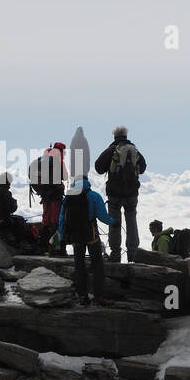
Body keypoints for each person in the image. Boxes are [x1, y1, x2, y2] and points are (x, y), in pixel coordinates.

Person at [56, 171, 115, 307]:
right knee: (97, 264)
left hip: (75, 236)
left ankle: (82, 296)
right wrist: (113, 222)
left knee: (79, 265)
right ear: (87, 181)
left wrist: (62, 236)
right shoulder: (94, 196)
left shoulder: (68, 198)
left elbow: (61, 220)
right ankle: (98, 296)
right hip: (91, 235)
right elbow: (102, 217)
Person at [94, 124, 147, 263]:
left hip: (114, 194)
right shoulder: (133, 150)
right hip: (131, 194)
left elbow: (98, 167)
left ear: (115, 136)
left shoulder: (111, 149)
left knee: (114, 223)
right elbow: (143, 168)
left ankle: (115, 254)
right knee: (131, 222)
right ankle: (133, 254)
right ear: (126, 136)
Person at [27, 142, 67, 253]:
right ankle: (56, 248)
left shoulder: (42, 159)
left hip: (44, 195)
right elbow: (64, 176)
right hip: (55, 195)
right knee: (56, 221)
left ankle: (43, 246)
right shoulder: (58, 160)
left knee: (46, 221)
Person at [0, 173, 30, 247]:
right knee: (20, 220)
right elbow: (12, 208)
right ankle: (19, 244)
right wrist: (14, 202)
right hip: (2, 222)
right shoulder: (5, 192)